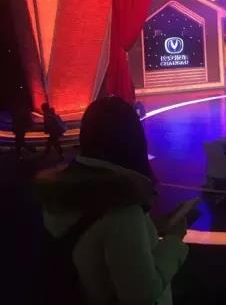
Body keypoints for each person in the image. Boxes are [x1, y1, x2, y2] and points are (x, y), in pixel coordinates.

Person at [35, 97, 188, 305]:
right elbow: (141, 294)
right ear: (133, 139)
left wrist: (151, 226)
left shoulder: (62, 189)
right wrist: (173, 241)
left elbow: (93, 242)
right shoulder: (121, 205)